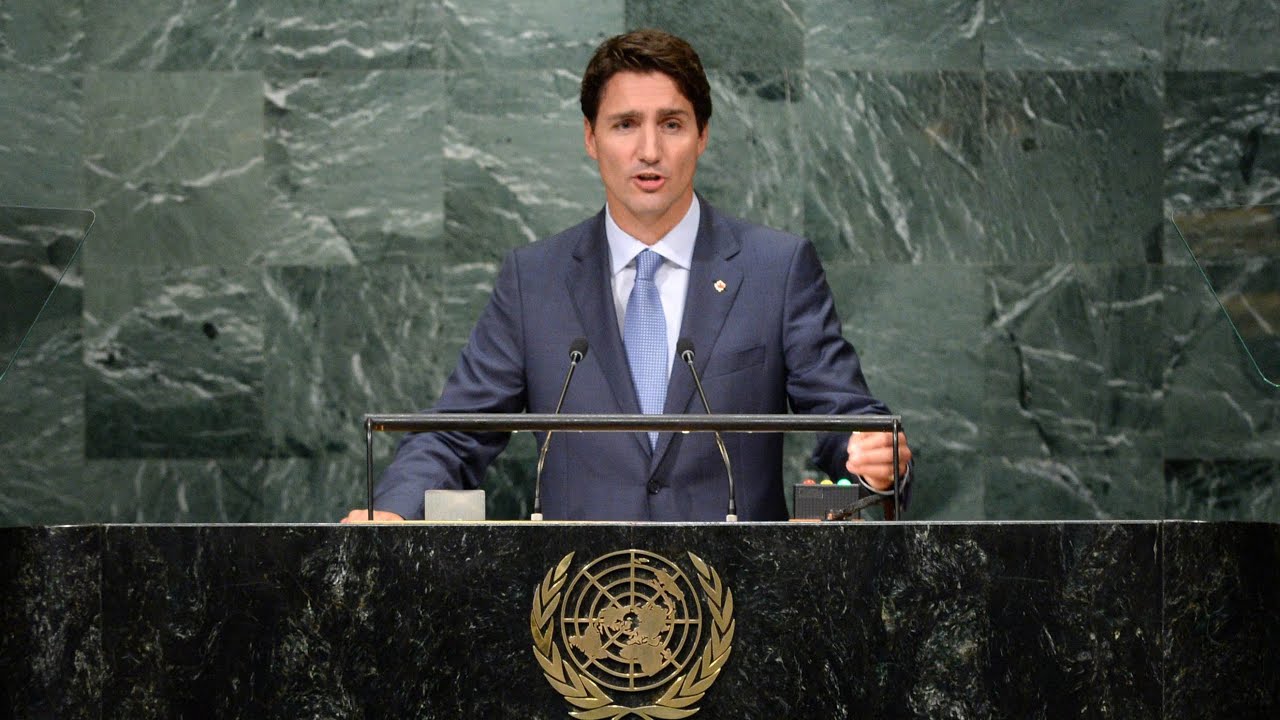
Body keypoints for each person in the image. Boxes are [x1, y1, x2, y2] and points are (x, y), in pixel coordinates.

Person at [342, 29, 911, 523]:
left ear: (703, 135)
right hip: (580, 611)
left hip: (741, 609)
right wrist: (396, 510)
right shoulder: (534, 279)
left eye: (671, 124)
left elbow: (848, 423)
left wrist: (876, 456)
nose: (649, 150)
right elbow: (455, 433)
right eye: (624, 125)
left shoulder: (776, 269)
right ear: (590, 138)